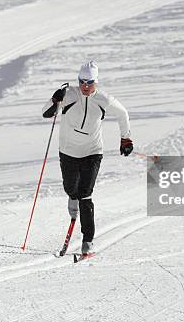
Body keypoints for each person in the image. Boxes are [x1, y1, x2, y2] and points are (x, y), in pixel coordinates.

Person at [42, 61, 133, 255]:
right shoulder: (68, 95)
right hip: (68, 151)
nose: (85, 86)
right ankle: (72, 198)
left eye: (89, 82)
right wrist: (55, 99)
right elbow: (46, 113)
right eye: (82, 81)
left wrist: (125, 138)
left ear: (96, 81)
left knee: (86, 193)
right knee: (70, 188)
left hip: (92, 151)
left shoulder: (103, 99)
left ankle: (88, 241)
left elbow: (123, 113)